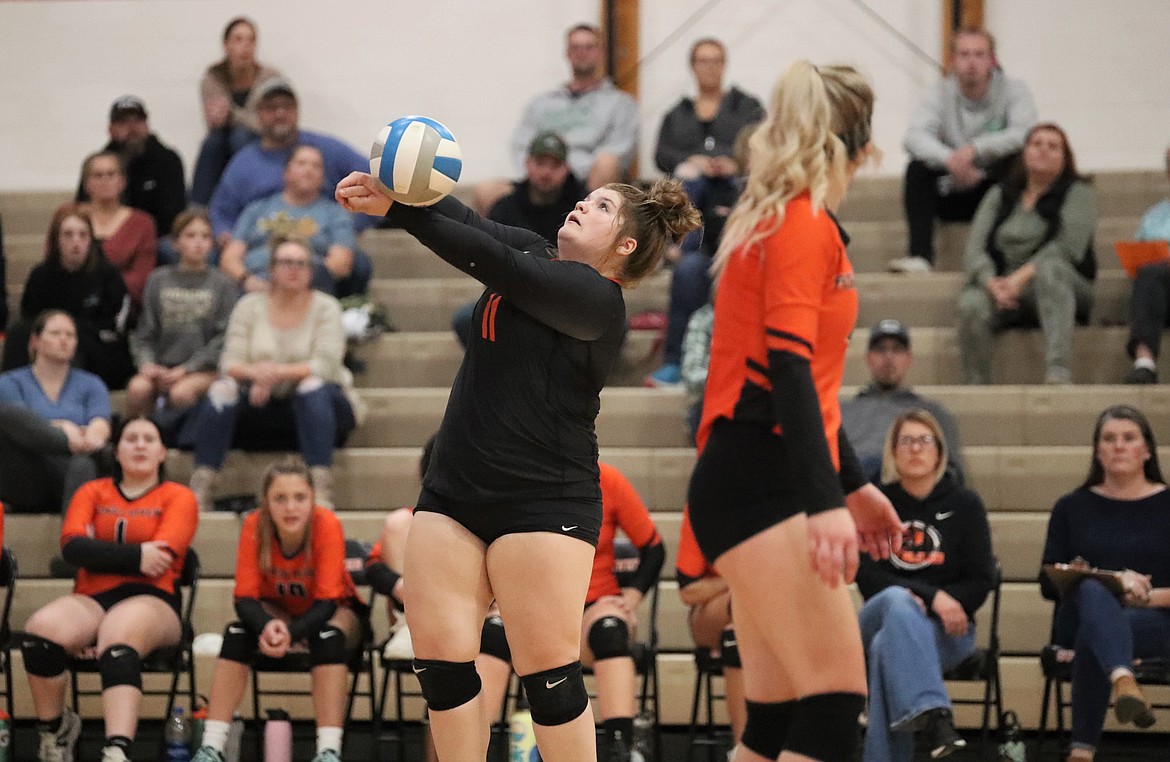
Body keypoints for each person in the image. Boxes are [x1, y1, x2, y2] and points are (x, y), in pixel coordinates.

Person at [335, 157, 700, 760]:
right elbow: (465, 222)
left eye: (603, 207)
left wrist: (398, 212)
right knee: (443, 670)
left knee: (549, 679)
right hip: (455, 491)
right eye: (590, 198)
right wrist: (404, 186)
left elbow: (491, 262)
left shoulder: (598, 300)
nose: (583, 204)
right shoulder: (537, 249)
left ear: (625, 244)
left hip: (544, 500)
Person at [685, 60, 903, 762]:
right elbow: (786, 373)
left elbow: (809, 381)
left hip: (751, 476)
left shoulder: (787, 217)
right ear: (860, 144)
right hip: (762, 481)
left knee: (775, 719)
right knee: (836, 702)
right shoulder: (802, 222)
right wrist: (825, 502)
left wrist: (855, 485)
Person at [20, 416, 198, 762]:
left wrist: (100, 553)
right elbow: (72, 548)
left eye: (149, 438)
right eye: (131, 438)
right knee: (39, 632)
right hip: (93, 597)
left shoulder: (179, 497)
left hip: (155, 600)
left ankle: (117, 749)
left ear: (163, 452)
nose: (141, 445)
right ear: (117, 451)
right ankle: (55, 731)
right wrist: (136, 556)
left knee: (118, 634)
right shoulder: (93, 491)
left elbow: (160, 559)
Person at [471, 462, 666, 761]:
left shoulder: (607, 479)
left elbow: (654, 548)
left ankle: (619, 747)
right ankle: (472, 748)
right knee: (494, 634)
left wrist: (632, 597)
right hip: (529, 606)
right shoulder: (515, 477)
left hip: (593, 606)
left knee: (610, 631)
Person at [191, 456, 363, 762]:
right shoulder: (255, 526)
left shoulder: (327, 525)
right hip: (279, 612)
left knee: (327, 636)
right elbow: (244, 598)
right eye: (280, 499)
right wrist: (269, 627)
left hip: (334, 612)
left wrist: (293, 633)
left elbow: (327, 603)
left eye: (300, 498)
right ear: (266, 502)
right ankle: (212, 747)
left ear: (313, 499)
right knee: (236, 632)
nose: (290, 507)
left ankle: (328, 751)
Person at [185, 235, 362, 511]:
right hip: (259, 405)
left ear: (311, 271)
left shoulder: (326, 306)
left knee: (312, 387)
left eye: (302, 263)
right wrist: (255, 373)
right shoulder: (249, 305)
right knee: (222, 389)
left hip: (320, 408)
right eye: (286, 262)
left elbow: (326, 365)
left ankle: (320, 487)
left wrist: (273, 373)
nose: (294, 269)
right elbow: (229, 362)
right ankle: (202, 485)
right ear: (271, 269)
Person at [855, 410, 995, 761]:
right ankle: (935, 715)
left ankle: (919, 731)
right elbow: (868, 577)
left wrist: (944, 605)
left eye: (924, 441)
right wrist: (933, 597)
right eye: (906, 441)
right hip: (880, 615)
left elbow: (981, 579)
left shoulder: (966, 504)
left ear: (939, 451)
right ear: (893, 451)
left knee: (887, 648)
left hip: (947, 631)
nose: (915, 449)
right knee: (897, 601)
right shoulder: (877, 502)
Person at [1039, 405, 1170, 761]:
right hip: (1078, 617)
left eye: (1129, 438)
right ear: (1097, 450)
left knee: (1095, 631)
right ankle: (1123, 680)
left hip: (1154, 623)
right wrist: (1114, 583)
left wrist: (1137, 598)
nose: (1118, 446)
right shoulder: (1070, 507)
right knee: (1092, 593)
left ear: (1146, 450)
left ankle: (1082, 749)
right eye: (1109, 439)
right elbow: (1047, 583)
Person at [957, 122, 1097, 385]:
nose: (1043, 150)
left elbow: (1068, 248)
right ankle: (977, 385)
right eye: (1036, 144)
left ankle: (1058, 371)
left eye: (1053, 146)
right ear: (1024, 153)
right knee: (971, 302)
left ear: (1065, 158)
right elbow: (974, 249)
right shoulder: (1000, 194)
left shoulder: (1079, 192)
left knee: (1051, 270)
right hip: (1003, 288)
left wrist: (1016, 281)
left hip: (1064, 284)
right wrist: (992, 283)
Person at [894, 26, 1037, 273]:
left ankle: (1005, 257)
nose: (972, 62)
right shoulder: (937, 92)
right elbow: (913, 137)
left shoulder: (1014, 90)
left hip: (993, 187)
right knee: (917, 169)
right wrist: (950, 159)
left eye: (979, 54)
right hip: (952, 187)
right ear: (952, 61)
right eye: (964, 54)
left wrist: (976, 150)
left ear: (992, 59)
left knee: (1018, 163)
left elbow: (1024, 133)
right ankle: (920, 256)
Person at [209, 78, 372, 249]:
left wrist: (351, 223)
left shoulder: (327, 149)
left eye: (287, 106)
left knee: (359, 264)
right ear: (258, 114)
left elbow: (372, 180)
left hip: (320, 244)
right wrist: (226, 235)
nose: (280, 113)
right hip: (261, 246)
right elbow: (221, 212)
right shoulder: (243, 164)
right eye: (271, 108)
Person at [3, 205, 133, 390]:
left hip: (97, 346)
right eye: (68, 235)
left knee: (70, 341)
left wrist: (69, 331)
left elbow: (115, 324)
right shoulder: (40, 275)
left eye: (83, 235)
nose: (76, 242)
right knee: (18, 333)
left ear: (91, 239)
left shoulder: (108, 274)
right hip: (50, 343)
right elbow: (31, 317)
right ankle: (10, 396)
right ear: (57, 240)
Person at [126, 210, 237, 420]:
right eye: (190, 236)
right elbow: (144, 332)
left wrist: (187, 369)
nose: (198, 242)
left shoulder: (223, 284)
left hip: (204, 369)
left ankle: (177, 441)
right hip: (162, 366)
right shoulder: (158, 279)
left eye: (205, 237)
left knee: (181, 393)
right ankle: (127, 435)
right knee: (137, 388)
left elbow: (223, 338)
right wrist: (147, 364)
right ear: (176, 243)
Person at [0, 310, 111, 514]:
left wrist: (87, 437)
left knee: (82, 464)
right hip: (26, 475)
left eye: (70, 335)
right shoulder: (9, 382)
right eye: (55, 333)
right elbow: (22, 425)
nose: (64, 340)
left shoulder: (92, 384)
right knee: (6, 414)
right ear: (35, 341)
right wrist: (66, 430)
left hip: (74, 473)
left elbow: (100, 425)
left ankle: (74, 540)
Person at [218, 144, 360, 296]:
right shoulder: (257, 209)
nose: (309, 170)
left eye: (316, 166)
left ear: (323, 176)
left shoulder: (335, 213)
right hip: (254, 287)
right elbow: (229, 259)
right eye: (301, 164)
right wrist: (247, 280)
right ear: (286, 172)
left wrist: (294, 280)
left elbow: (341, 263)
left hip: (307, 290)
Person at [513, 24, 638, 192]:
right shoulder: (541, 103)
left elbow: (619, 151)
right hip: (541, 180)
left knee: (606, 163)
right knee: (487, 191)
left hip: (586, 182)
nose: (582, 52)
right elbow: (521, 145)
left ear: (601, 53)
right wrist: (544, 169)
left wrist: (565, 169)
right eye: (576, 47)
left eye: (589, 47)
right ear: (568, 53)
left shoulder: (621, 104)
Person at [840, 319, 966, 482]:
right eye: (880, 350)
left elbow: (953, 471)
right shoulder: (843, 412)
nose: (888, 357)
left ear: (908, 359)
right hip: (853, 490)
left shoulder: (932, 413)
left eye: (897, 350)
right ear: (868, 358)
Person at [676, 506, 746, 756]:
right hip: (715, 611)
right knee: (741, 615)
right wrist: (737, 578)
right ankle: (741, 749)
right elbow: (688, 591)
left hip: (774, 609)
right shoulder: (706, 500)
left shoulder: (788, 497)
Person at [192, 16, 283, 206]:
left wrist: (232, 114)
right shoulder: (213, 76)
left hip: (260, 145)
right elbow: (215, 121)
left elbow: (266, 124)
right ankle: (199, 209)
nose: (246, 46)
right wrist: (242, 117)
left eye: (251, 40)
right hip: (222, 144)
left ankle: (247, 201)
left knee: (240, 136)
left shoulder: (269, 78)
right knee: (212, 142)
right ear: (226, 45)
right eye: (239, 40)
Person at [76, 96, 187, 247]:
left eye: (138, 121)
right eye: (124, 123)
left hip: (157, 238)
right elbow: (82, 207)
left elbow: (174, 215)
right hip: (107, 235)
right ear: (111, 129)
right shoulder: (99, 165)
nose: (132, 128)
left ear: (147, 126)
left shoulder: (167, 160)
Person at [654, 38, 764, 181]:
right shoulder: (677, 115)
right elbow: (662, 155)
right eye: (703, 62)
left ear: (724, 65)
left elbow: (762, 145)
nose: (710, 68)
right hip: (690, 188)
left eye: (716, 61)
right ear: (693, 66)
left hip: (736, 186)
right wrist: (690, 159)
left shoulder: (747, 107)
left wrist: (736, 163)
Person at [67, 151, 158, 315]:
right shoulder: (68, 215)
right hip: (71, 301)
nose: (105, 180)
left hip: (121, 306)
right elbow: (54, 261)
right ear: (86, 183)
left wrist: (104, 289)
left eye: (111, 174)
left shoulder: (142, 222)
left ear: (122, 181)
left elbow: (141, 277)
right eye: (98, 175)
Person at [1123, 144, 1170, 384]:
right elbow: (1139, 254)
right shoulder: (1155, 216)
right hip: (1162, 292)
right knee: (1150, 273)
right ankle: (1144, 360)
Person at [490, 131, 587, 247]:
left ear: (567, 169)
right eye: (540, 163)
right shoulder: (504, 210)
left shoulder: (580, 212)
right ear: (527, 163)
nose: (546, 172)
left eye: (555, 165)